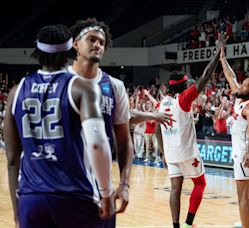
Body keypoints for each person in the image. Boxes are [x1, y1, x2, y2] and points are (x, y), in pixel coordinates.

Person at [5, 24, 115, 227]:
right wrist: (107, 192)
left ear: (37, 52)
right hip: (74, 196)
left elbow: (12, 161)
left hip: (31, 199)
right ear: (70, 50)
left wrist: (17, 210)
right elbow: (97, 144)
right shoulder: (81, 87)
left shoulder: (16, 91)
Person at [69, 18, 172, 221]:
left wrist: (124, 184)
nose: (97, 45)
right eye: (91, 39)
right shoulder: (61, 82)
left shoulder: (114, 86)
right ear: (75, 44)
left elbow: (124, 126)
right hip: (66, 182)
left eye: (101, 42)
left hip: (101, 185)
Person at [156, 34, 228, 228]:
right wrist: (218, 50)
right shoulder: (184, 99)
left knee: (175, 190)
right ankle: (188, 223)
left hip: (171, 154)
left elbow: (156, 130)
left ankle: (176, 226)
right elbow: (205, 76)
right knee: (200, 184)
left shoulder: (162, 103)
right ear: (182, 86)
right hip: (187, 152)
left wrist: (163, 153)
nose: (189, 84)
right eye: (186, 82)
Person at [220, 47, 249, 228]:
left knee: (242, 196)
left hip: (245, 150)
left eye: (245, 86)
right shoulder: (241, 98)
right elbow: (231, 76)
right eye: (243, 83)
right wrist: (223, 58)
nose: (241, 86)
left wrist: (247, 153)